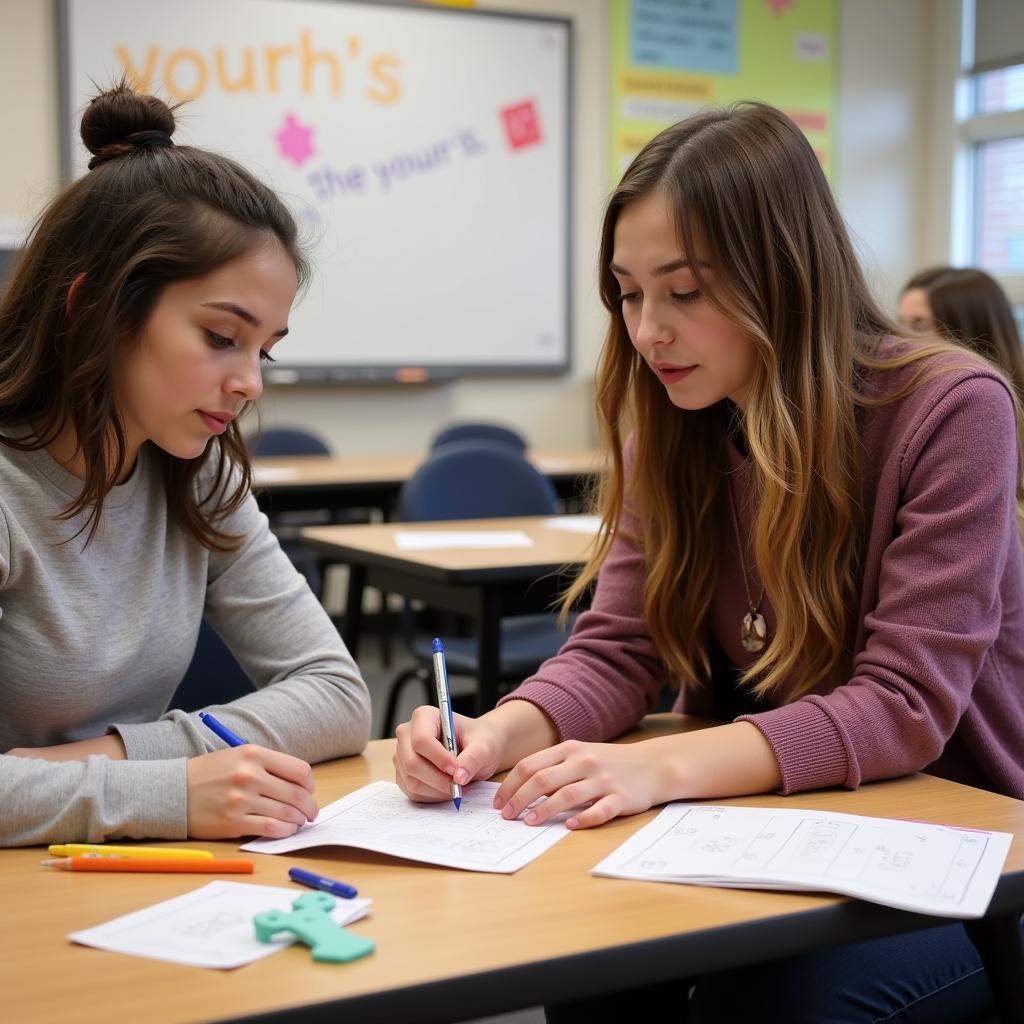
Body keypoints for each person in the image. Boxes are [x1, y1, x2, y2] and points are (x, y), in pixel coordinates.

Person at [394, 102, 1024, 1022]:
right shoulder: (675, 425)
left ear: (786, 275)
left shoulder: (952, 410)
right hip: (759, 822)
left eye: (684, 292)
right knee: (591, 956)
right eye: (627, 291)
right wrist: (497, 733)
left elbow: (905, 706)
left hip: (956, 843)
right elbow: (618, 648)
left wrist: (652, 771)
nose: (648, 331)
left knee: (758, 1004)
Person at [0, 82, 371, 847]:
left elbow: (337, 695)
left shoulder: (197, 475)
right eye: (221, 337)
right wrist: (166, 792)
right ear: (92, 307)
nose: (250, 383)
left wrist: (117, 756)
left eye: (264, 349)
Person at [899, 264, 1024, 399]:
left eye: (919, 326)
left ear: (970, 332)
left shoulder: (984, 396)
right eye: (900, 324)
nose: (899, 338)